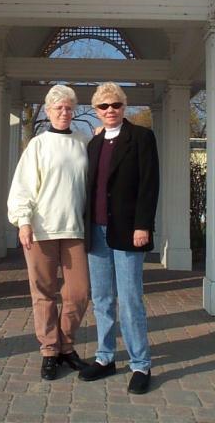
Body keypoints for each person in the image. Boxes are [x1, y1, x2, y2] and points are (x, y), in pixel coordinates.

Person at [78, 82, 159, 394]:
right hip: (96, 231)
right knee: (100, 298)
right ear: (96, 110)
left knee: (130, 299)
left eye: (115, 105)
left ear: (124, 107)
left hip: (128, 231)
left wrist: (143, 225)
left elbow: (149, 185)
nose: (110, 110)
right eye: (103, 106)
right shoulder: (93, 144)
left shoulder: (141, 137)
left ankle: (140, 363)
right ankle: (105, 357)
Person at [8, 84, 89, 380]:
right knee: (43, 293)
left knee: (78, 293)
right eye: (58, 108)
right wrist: (24, 221)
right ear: (48, 110)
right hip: (41, 231)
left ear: (74, 110)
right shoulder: (38, 145)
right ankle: (49, 350)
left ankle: (67, 345)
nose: (64, 113)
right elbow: (23, 186)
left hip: (75, 231)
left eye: (69, 108)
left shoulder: (83, 142)